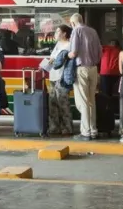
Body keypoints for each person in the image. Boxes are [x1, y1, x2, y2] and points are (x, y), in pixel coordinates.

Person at [68, 13, 102, 141]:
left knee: (83, 102)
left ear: (73, 23)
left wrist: (67, 56)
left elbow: (74, 52)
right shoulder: (93, 31)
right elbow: (100, 52)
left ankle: (85, 131)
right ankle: (93, 130)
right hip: (93, 68)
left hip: (81, 68)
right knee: (91, 101)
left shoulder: (76, 31)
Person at [44, 24, 73, 136]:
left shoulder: (69, 45)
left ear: (64, 33)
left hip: (62, 78)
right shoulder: (58, 44)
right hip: (52, 76)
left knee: (63, 103)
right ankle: (54, 127)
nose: (55, 34)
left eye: (57, 31)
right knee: (53, 103)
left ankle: (67, 127)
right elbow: (52, 59)